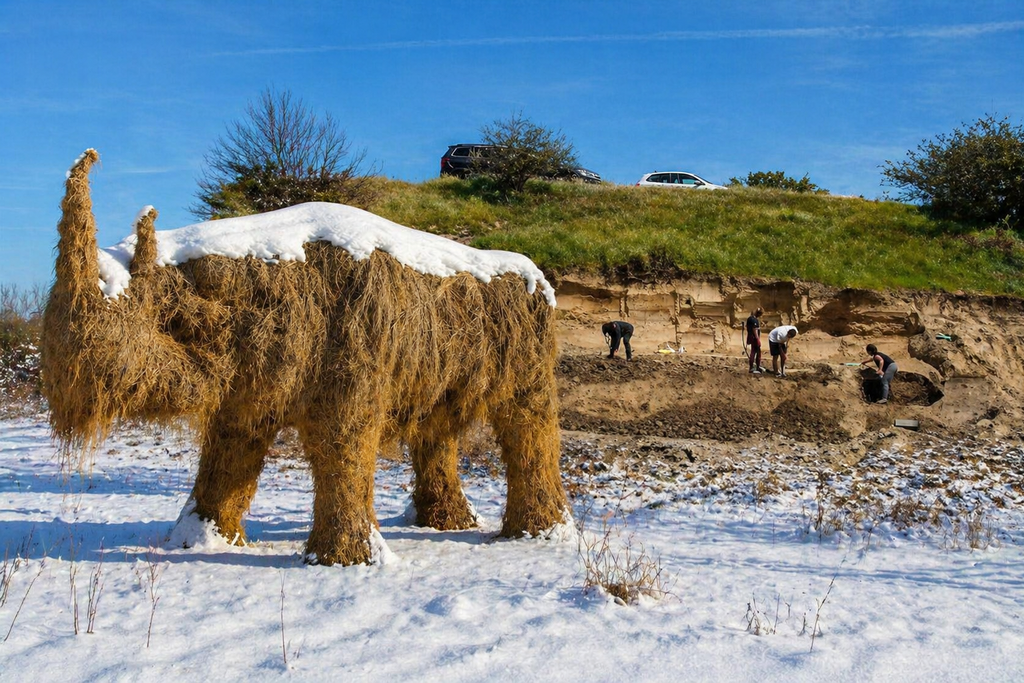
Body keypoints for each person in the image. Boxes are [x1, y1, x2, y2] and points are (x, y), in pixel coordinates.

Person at [744, 307, 767, 374]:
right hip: (754, 338)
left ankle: (754, 367)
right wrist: (757, 339)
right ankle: (753, 368)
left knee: (753, 351)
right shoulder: (754, 320)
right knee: (756, 352)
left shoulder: (749, 318)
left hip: (750, 337)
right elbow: (754, 329)